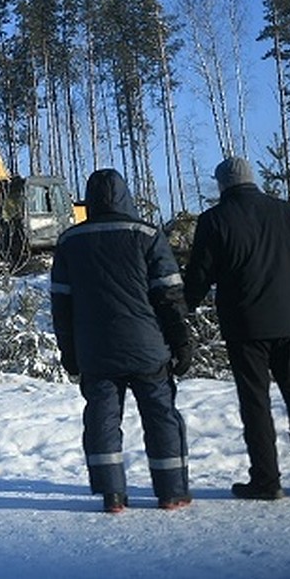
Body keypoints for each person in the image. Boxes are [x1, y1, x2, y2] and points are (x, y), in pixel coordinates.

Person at [184, 155, 290, 500]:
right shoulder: (287, 212)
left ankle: (266, 480)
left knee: (255, 404)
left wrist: (180, 310)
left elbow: (199, 277)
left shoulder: (214, 220)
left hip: (245, 328)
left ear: (222, 185)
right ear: (252, 180)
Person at [51, 168, 193, 513]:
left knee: (102, 417)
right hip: (148, 347)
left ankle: (113, 495)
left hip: (95, 350)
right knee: (161, 415)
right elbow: (169, 296)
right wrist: (182, 342)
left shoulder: (70, 241)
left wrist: (68, 351)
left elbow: (62, 305)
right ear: (125, 195)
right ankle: (171, 492)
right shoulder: (147, 234)